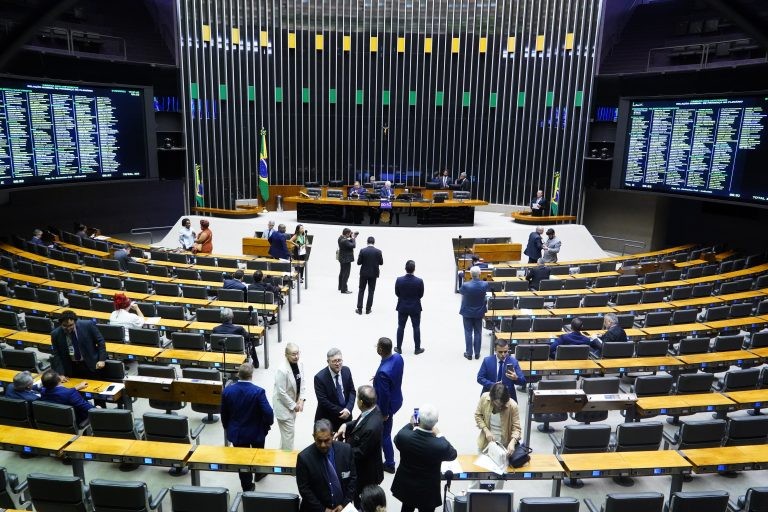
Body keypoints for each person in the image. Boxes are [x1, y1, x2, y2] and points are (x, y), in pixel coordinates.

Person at [391, 404, 457, 512]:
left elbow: (397, 439)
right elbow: (453, 454)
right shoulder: (440, 445)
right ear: (436, 422)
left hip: (407, 485)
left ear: (418, 420)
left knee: (406, 508)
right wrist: (440, 434)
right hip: (428, 491)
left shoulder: (404, 436)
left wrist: (411, 424)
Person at [221, 363, 274, 491]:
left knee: (242, 462)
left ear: (238, 374)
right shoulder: (258, 391)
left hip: (238, 433)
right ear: (251, 375)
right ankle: (259, 473)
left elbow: (224, 413)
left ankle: (247, 487)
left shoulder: (227, 391)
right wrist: (268, 423)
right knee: (258, 454)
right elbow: (268, 412)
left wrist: (227, 427)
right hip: (256, 431)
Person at [334, 385, 383, 509]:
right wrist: (346, 425)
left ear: (361, 402)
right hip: (364, 467)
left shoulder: (372, 427)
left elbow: (361, 452)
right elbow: (359, 422)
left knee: (361, 502)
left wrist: (341, 450)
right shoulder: (373, 409)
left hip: (366, 473)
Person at [296, 419, 357, 512]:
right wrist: (323, 509)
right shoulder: (304, 458)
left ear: (332, 435)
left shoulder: (346, 450)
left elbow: (353, 479)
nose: (323, 445)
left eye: (326, 440)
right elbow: (304, 489)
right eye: (319, 441)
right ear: (313, 437)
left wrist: (344, 504)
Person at [373, 337, 404, 474]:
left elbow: (384, 396)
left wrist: (384, 413)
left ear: (380, 349)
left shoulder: (383, 373)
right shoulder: (398, 357)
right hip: (397, 399)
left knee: (385, 435)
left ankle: (390, 463)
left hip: (387, 407)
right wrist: (377, 380)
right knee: (386, 433)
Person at [50, 310, 107, 380]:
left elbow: (100, 341)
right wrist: (60, 374)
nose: (68, 328)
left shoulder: (88, 325)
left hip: (91, 364)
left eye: (70, 325)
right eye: (65, 326)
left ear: (75, 322)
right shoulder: (55, 334)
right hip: (71, 368)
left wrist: (102, 360)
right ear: (60, 324)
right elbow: (57, 355)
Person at [273, 342, 307, 450]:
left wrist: (301, 400)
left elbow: (302, 382)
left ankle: (282, 457)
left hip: (293, 404)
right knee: (288, 436)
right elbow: (281, 392)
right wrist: (294, 405)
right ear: (286, 354)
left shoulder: (300, 363)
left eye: (297, 353)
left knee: (286, 435)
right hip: (283, 407)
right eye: (293, 354)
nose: (296, 356)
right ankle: (287, 463)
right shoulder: (282, 370)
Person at [314, 348, 356, 433]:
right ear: (328, 362)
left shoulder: (346, 371)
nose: (337, 364)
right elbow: (323, 401)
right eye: (334, 361)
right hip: (328, 420)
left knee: (345, 445)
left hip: (346, 417)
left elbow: (352, 391)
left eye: (339, 360)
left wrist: (348, 409)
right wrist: (342, 412)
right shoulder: (320, 378)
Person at [475, 382, 522, 456]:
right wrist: (486, 431)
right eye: (496, 402)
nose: (499, 406)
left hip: (504, 446)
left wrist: (513, 442)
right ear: (492, 398)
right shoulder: (485, 398)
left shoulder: (513, 406)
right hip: (486, 443)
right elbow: (478, 416)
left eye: (501, 404)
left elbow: (516, 428)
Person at [395, 260, 425, 355]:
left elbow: (397, 293)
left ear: (405, 268)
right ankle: (417, 348)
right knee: (416, 327)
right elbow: (421, 294)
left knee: (401, 327)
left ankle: (399, 348)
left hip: (402, 306)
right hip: (415, 307)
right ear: (414, 269)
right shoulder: (419, 281)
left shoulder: (399, 280)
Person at [459, 266, 489, 360]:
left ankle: (469, 353)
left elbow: (461, 292)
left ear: (471, 274)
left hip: (467, 311)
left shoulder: (466, 285)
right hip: (479, 312)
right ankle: (477, 353)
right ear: (480, 273)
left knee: (468, 332)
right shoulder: (485, 284)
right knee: (478, 332)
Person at [356, 236, 383, 315]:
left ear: (367, 242)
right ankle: (368, 309)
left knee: (361, 290)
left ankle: (359, 309)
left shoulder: (363, 250)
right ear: (374, 242)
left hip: (363, 274)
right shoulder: (378, 251)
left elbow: (358, 263)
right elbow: (381, 263)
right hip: (373, 274)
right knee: (371, 291)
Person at [338, 228, 358, 294]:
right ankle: (344, 289)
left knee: (342, 273)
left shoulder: (340, 238)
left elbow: (347, 241)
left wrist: (350, 236)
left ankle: (340, 286)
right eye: (349, 234)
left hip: (341, 258)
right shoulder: (345, 241)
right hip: (346, 259)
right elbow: (353, 245)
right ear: (346, 234)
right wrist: (353, 238)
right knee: (346, 274)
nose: (350, 235)